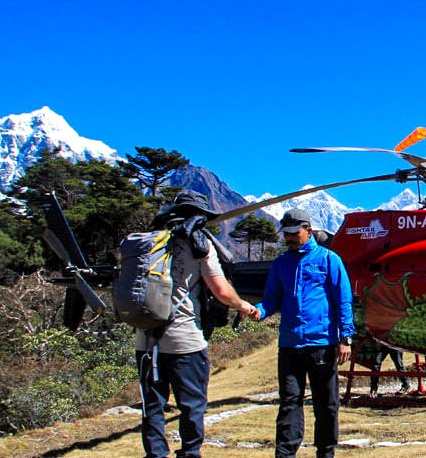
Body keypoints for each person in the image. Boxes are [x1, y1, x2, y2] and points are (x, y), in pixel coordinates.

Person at [137, 191, 260, 458]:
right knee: (192, 405)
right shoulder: (198, 246)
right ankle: (190, 453)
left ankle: (156, 454)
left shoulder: (145, 242)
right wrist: (243, 306)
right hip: (184, 341)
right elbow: (221, 290)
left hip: (146, 340)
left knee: (153, 406)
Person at [251, 208, 355, 458]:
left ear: (308, 230)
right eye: (285, 233)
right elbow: (271, 300)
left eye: (293, 233)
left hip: (321, 343)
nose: (288, 238)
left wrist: (346, 338)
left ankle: (326, 452)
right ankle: (285, 453)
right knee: (289, 403)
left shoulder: (330, 260)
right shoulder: (281, 263)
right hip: (289, 345)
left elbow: (343, 301)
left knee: (327, 404)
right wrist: (258, 311)